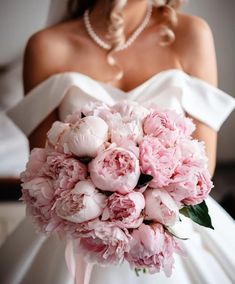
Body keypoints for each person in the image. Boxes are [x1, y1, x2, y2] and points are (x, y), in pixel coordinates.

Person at [1, 0, 235, 283]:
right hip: (77, 227)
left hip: (173, 220)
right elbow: (44, 169)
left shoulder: (191, 33)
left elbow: (203, 163)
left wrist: (143, 205)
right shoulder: (46, 46)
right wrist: (105, 205)